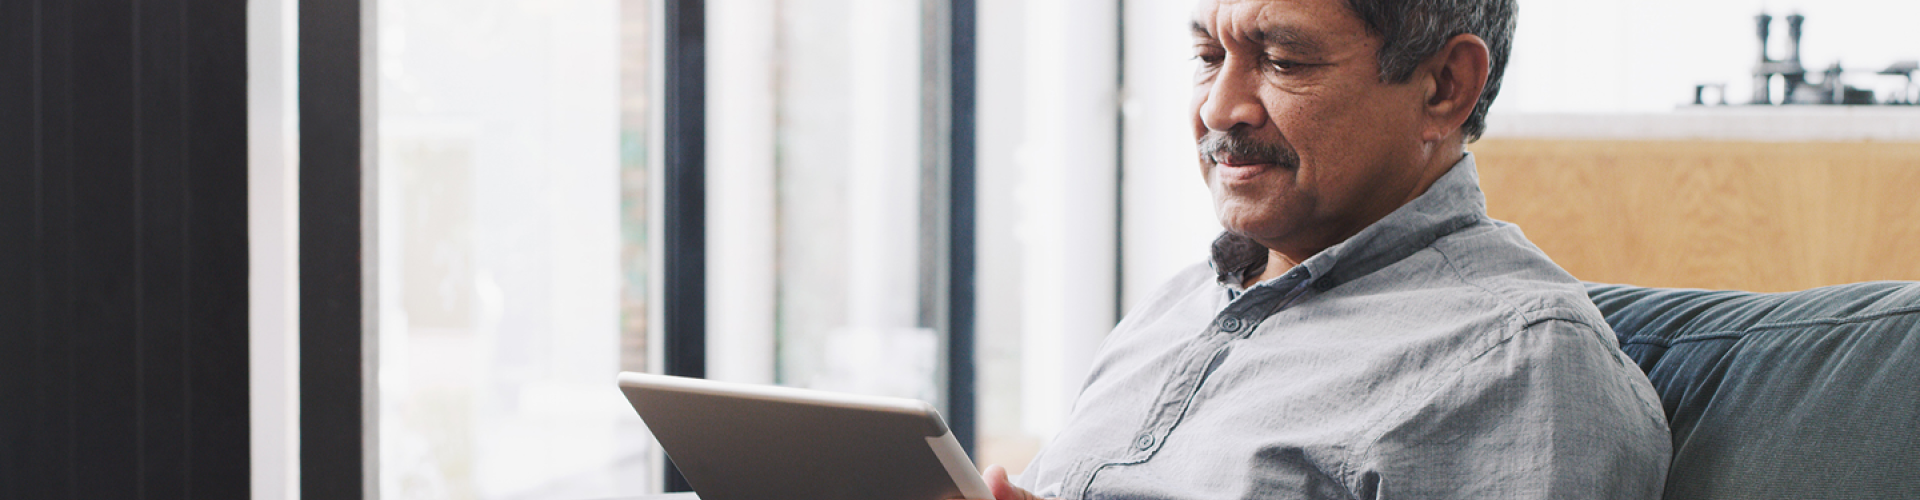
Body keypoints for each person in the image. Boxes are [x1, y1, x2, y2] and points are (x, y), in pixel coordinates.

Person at [975, 0, 1671, 498]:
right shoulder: (1178, 306)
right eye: (1208, 57)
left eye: (1282, 61)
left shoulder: (1522, 361)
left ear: (1444, 87)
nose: (1219, 109)